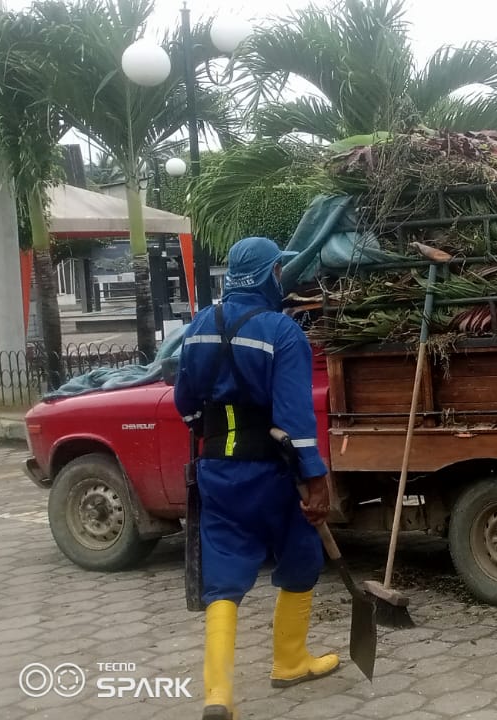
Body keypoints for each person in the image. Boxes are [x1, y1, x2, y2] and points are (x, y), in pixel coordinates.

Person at [174, 237, 338, 720]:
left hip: (217, 470)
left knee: (222, 577)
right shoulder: (282, 332)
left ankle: (218, 695)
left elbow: (185, 402)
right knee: (301, 557)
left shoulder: (198, 326)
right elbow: (295, 418)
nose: (282, 278)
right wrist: (316, 478)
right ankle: (289, 661)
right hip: (274, 472)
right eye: (279, 271)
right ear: (269, 275)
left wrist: (211, 426)